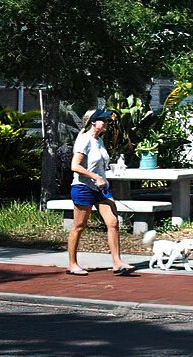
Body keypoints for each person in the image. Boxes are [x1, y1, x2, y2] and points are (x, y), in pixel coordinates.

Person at [65, 108, 135, 276]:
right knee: (79, 226)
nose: (107, 124)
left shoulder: (99, 141)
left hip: (101, 189)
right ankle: (72, 264)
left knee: (113, 222)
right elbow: (75, 166)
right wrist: (95, 176)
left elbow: (99, 163)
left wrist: (105, 174)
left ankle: (117, 263)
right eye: (104, 121)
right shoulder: (84, 140)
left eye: (107, 121)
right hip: (83, 188)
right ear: (94, 122)